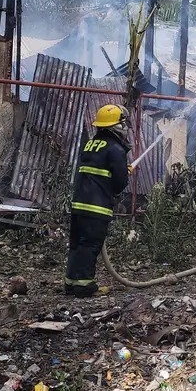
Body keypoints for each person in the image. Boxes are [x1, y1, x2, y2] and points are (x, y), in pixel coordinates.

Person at [65, 104, 131, 297]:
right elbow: (119, 184)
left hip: (79, 205)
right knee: (90, 245)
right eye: (123, 123)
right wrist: (124, 173)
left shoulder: (90, 144)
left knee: (77, 244)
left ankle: (71, 282)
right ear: (117, 126)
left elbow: (100, 170)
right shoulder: (116, 149)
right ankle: (84, 285)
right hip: (97, 207)